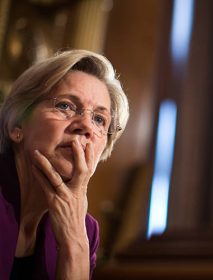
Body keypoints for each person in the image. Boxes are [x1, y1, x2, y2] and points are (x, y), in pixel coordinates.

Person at [0, 49, 129, 279]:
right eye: (65, 106)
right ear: (16, 126)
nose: (86, 126)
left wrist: (74, 241)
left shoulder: (86, 230)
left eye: (99, 119)